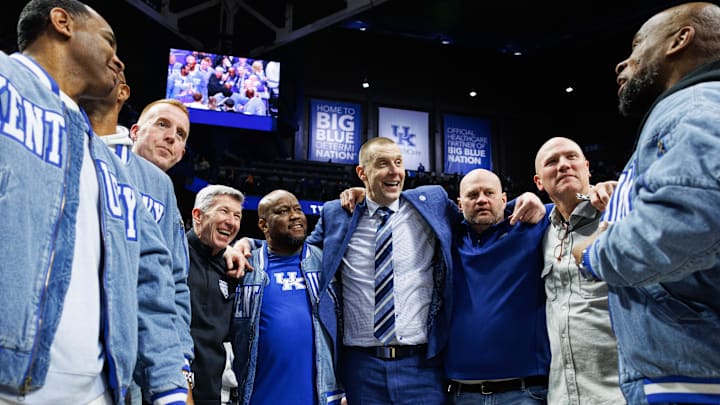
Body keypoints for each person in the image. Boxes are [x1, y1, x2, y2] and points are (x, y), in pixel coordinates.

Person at [0, 1, 188, 404]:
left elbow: (152, 283)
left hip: (102, 391)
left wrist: (169, 388)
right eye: (109, 41)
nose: (117, 59)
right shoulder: (5, 85)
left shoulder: (115, 167)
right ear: (61, 22)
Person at [305, 137, 546, 404]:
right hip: (360, 366)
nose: (394, 171)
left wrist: (526, 201)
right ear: (362, 173)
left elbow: (481, 213)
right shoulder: (336, 214)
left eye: (398, 163)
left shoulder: (430, 202)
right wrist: (251, 245)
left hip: (421, 365)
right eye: (382, 164)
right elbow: (299, 253)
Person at [572, 3, 720, 404]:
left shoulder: (694, 105)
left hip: (694, 375)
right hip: (684, 367)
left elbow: (690, 220)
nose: (624, 62)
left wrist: (594, 252)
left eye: (638, 45)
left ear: (680, 40)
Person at [82, 83, 196, 402]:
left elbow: (174, 284)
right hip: (89, 344)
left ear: (182, 153)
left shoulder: (165, 192)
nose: (172, 136)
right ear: (134, 131)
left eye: (181, 134)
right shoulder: (99, 156)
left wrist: (181, 360)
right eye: (162, 124)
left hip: (143, 353)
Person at [444, 168, 551, 404]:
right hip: (461, 393)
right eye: (473, 195)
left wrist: (596, 190)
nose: (482, 199)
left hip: (524, 391)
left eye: (489, 193)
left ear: (503, 199)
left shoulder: (536, 222)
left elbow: (573, 201)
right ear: (460, 205)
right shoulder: (447, 238)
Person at [230, 190, 344, 405]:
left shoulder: (326, 263)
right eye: (283, 211)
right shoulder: (244, 267)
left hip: (320, 396)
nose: (295, 215)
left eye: (298, 209)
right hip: (260, 395)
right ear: (263, 225)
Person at [533, 137, 625, 405]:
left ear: (587, 167)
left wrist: (625, 197)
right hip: (562, 395)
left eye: (571, 157)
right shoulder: (539, 231)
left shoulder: (618, 211)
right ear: (539, 182)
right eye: (552, 162)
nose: (563, 165)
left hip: (618, 394)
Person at [187, 185, 245, 405]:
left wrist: (243, 244)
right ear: (198, 215)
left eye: (237, 215)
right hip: (171, 384)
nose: (231, 221)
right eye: (223, 211)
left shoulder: (233, 268)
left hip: (212, 391)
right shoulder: (174, 254)